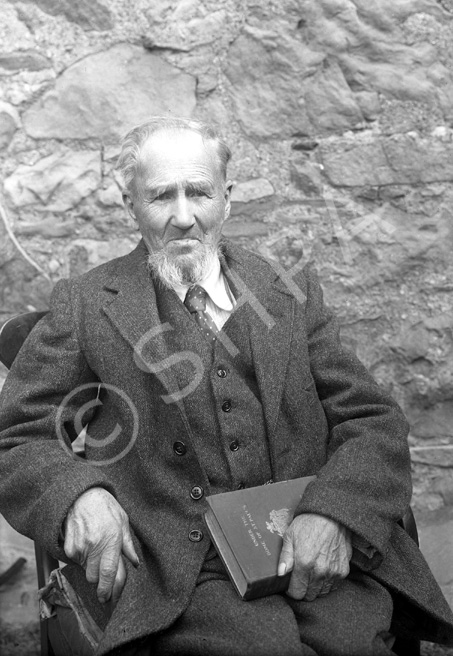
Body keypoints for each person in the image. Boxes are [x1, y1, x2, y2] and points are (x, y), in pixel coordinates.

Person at [0, 117, 452, 656]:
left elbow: (372, 418)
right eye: (161, 197)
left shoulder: (288, 293)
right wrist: (77, 494)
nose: (183, 218)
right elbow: (19, 435)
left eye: (200, 193)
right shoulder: (86, 304)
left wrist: (333, 512)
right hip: (182, 577)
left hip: (310, 550)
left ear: (228, 198)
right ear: (130, 205)